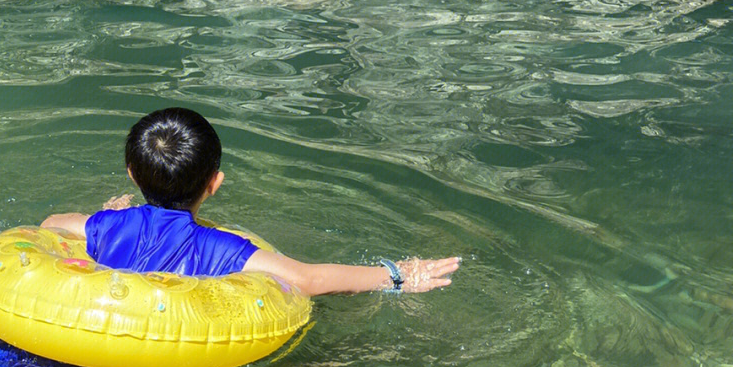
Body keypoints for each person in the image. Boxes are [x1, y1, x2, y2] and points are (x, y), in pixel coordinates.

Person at [42, 107, 460, 297]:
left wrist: (109, 214)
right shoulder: (219, 248)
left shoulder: (107, 226)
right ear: (215, 183)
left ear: (131, 175)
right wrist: (399, 274)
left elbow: (51, 224)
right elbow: (310, 280)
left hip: (44, 339)